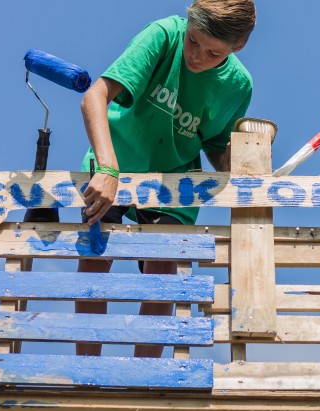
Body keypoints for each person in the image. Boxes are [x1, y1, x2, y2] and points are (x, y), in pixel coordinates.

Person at [77, 0, 256, 358]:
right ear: (188, 23)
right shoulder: (163, 35)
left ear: (238, 47)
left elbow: (217, 148)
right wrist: (109, 169)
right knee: (96, 254)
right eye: (194, 41)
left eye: (212, 53)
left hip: (174, 178)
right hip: (119, 158)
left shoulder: (239, 87)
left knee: (164, 266)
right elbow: (94, 97)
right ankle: (88, 376)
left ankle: (143, 380)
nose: (196, 56)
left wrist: (239, 166)